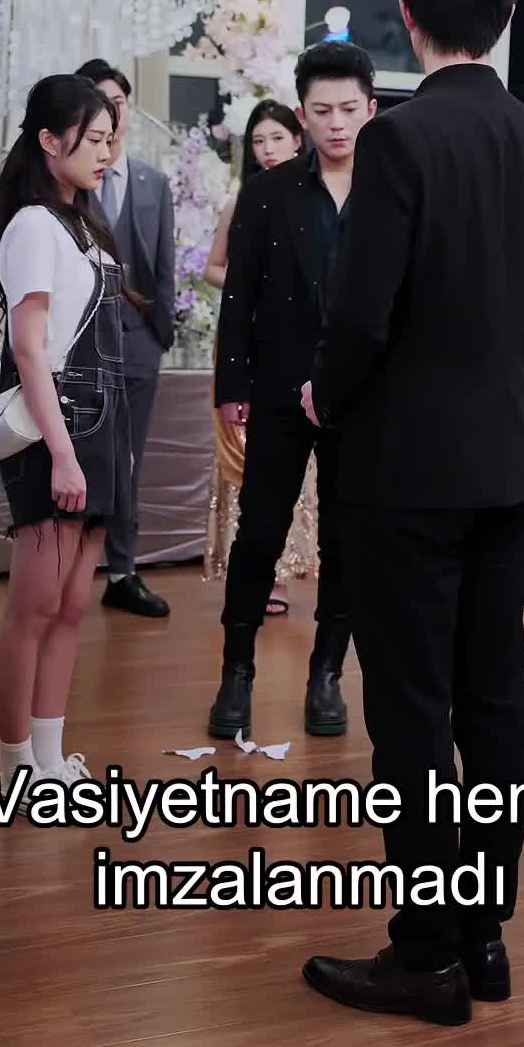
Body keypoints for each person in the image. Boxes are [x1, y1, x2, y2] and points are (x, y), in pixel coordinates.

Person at [300, 0, 524, 1026]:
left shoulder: (400, 140)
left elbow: (360, 316)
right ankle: (485, 935)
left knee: (414, 715)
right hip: (504, 462)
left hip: (402, 468)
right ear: (506, 12)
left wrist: (330, 394)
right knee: (494, 702)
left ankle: (425, 954)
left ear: (407, 12)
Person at [211, 45, 377, 739]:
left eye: (349, 109)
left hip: (362, 393)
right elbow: (239, 295)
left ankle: (326, 674)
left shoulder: (393, 189)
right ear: (302, 115)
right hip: (280, 384)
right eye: (322, 110)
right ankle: (237, 671)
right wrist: (232, 383)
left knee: (347, 538)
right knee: (260, 530)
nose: (336, 123)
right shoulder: (269, 191)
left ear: (371, 108)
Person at [0, 75, 132, 804]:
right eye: (94, 139)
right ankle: (15, 765)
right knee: (35, 608)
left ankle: (50, 759)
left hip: (103, 427)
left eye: (111, 139)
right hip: (59, 430)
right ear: (49, 141)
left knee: (74, 605)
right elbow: (28, 348)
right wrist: (64, 454)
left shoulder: (84, 224)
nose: (106, 152)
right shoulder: (32, 226)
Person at [204, 100, 315, 613]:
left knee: (297, 465)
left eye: (277, 138)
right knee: (247, 461)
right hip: (244, 341)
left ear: (297, 139)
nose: (268, 149)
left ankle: (287, 569)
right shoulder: (245, 197)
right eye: (258, 141)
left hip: (296, 348)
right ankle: (248, 572)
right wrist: (254, 286)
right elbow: (214, 268)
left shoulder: (319, 198)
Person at [75, 59, 176, 620]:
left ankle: (123, 571)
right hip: (81, 346)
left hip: (139, 345)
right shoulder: (67, 181)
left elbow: (164, 269)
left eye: (118, 102)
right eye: (99, 102)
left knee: (128, 462)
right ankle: (70, 568)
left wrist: (160, 335)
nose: (111, 113)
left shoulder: (152, 183)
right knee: (82, 458)